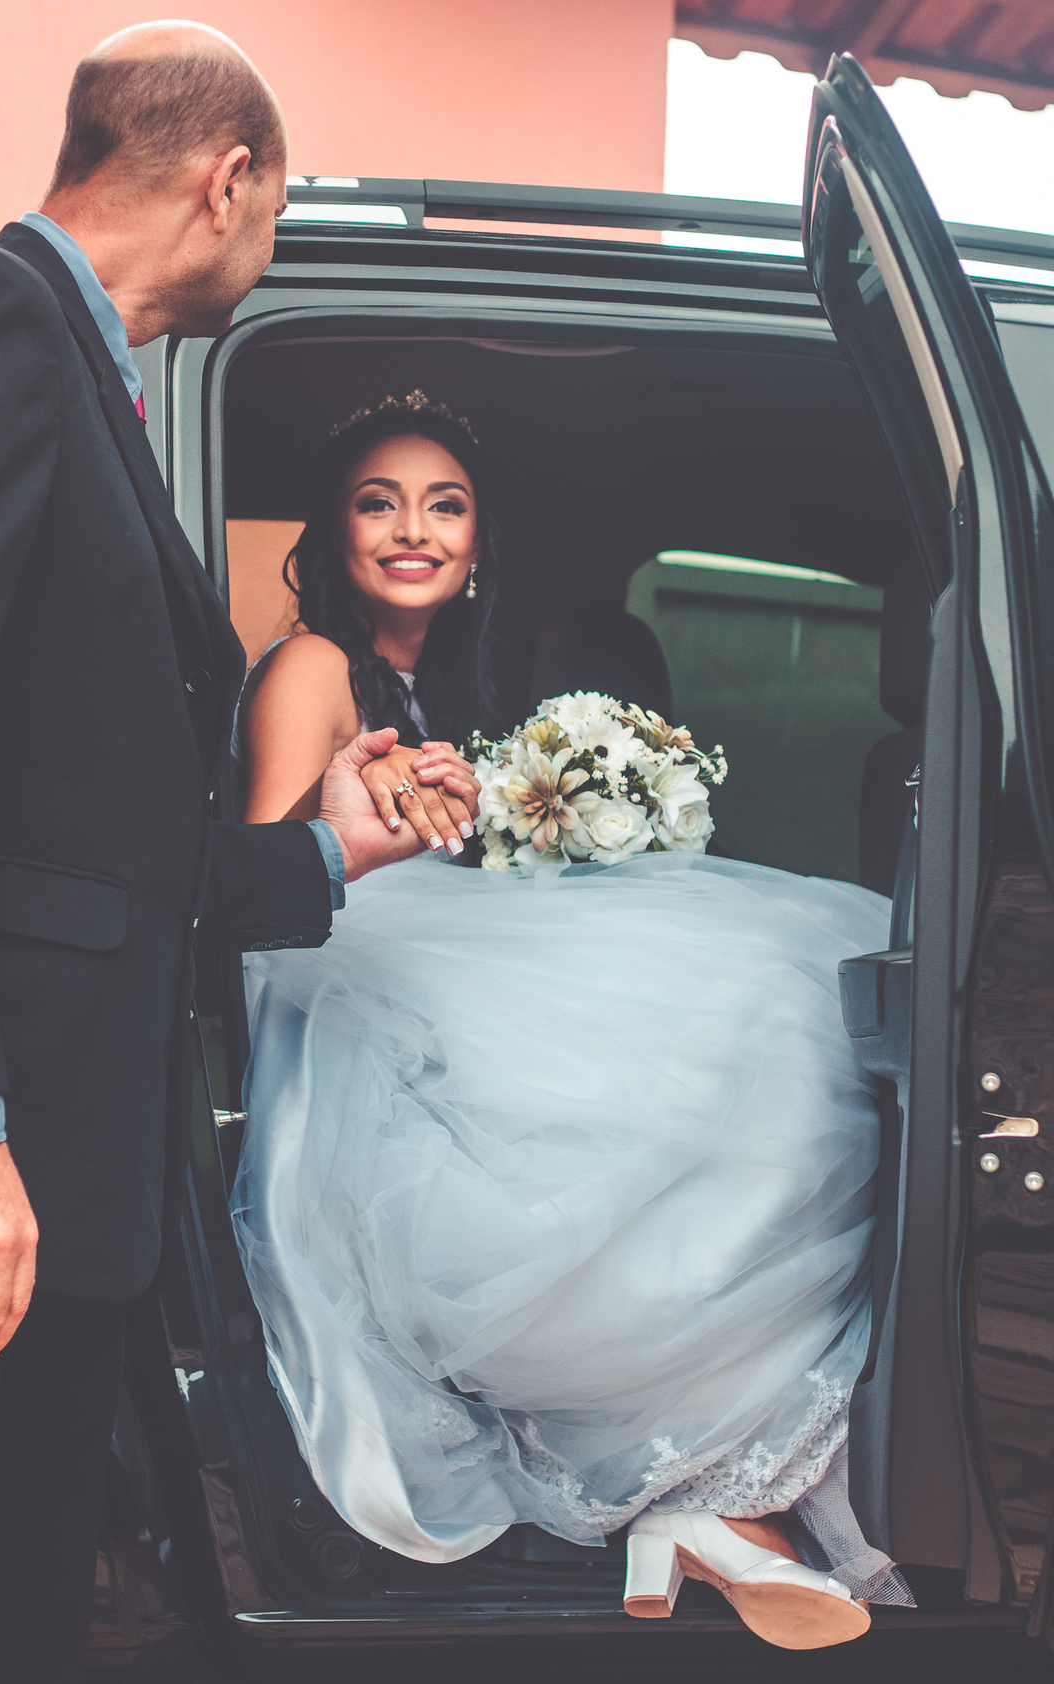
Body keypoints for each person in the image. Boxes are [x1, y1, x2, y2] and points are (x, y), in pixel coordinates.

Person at [0, 27, 458, 1683]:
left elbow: (86, 839)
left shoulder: (81, 370)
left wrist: (327, 855)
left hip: (63, 1180)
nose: (266, 247)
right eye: (273, 211)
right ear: (227, 179)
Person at [230, 393, 914, 1650]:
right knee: (765, 1000)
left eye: (445, 504)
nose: (412, 530)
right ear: (336, 531)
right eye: (378, 502)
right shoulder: (313, 665)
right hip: (348, 1008)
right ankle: (703, 1495)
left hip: (433, 983)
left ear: (481, 541)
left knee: (760, 1040)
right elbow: (260, 890)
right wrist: (358, 825)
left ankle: (709, 1493)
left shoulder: (456, 682)